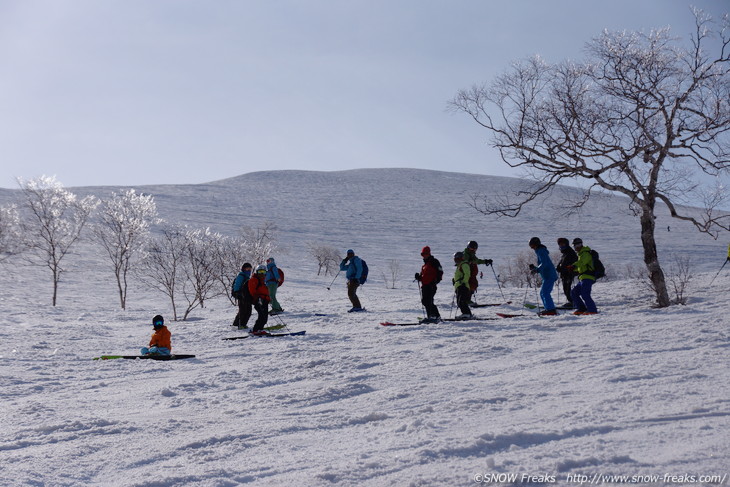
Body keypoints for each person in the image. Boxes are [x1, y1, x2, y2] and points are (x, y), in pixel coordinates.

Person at [528, 237, 559, 316]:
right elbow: (543, 264)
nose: (532, 248)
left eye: (533, 246)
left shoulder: (541, 251)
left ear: (536, 245)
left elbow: (544, 263)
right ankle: (548, 309)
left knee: (545, 293)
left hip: (549, 275)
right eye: (531, 247)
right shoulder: (539, 251)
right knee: (542, 293)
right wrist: (535, 268)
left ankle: (551, 310)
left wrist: (537, 270)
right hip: (546, 276)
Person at [568, 238, 598, 315]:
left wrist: (573, 266)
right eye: (575, 245)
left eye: (578, 244)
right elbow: (581, 267)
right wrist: (573, 269)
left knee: (585, 294)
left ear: (582, 244)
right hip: (583, 277)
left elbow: (582, 262)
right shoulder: (580, 254)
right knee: (574, 292)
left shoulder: (586, 253)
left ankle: (592, 310)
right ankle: (581, 308)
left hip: (588, 277)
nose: (577, 247)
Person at [414, 246, 443, 323]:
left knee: (428, 301)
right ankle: (431, 316)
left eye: (426, 254)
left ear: (429, 253)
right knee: (425, 301)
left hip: (431, 285)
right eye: (423, 254)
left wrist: (436, 280)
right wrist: (418, 277)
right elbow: (422, 277)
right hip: (425, 286)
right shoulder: (424, 266)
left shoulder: (434, 261)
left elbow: (440, 272)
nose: (424, 255)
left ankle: (435, 316)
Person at [248, 265, 271, 335]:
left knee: (265, 317)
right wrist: (257, 299)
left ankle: (260, 329)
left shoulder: (262, 281)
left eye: (263, 272)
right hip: (259, 301)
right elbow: (252, 291)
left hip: (264, 300)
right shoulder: (254, 279)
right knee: (262, 316)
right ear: (257, 272)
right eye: (260, 272)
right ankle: (255, 330)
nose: (261, 274)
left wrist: (268, 299)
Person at [555, 237, 578, 309]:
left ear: (567, 244)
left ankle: (574, 302)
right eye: (560, 244)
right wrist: (559, 267)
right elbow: (562, 263)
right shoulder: (565, 253)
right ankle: (572, 301)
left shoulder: (570, 252)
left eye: (563, 244)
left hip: (569, 273)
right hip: (565, 274)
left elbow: (573, 263)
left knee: (567, 289)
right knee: (566, 289)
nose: (561, 246)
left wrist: (566, 268)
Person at [232, 263, 253, 329]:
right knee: (244, 311)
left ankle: (237, 324)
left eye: (250, 269)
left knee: (247, 310)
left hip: (246, 296)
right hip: (241, 295)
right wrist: (237, 293)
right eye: (247, 269)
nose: (249, 271)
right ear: (243, 269)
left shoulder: (247, 277)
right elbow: (237, 285)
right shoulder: (241, 276)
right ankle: (241, 324)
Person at [453, 251, 472, 319]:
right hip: (459, 285)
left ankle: (466, 313)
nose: (455, 260)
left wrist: (464, 281)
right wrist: (454, 281)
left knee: (462, 301)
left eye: (456, 259)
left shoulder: (464, 265)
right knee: (459, 301)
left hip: (463, 285)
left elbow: (467, 274)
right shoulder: (459, 265)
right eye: (455, 259)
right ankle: (466, 313)